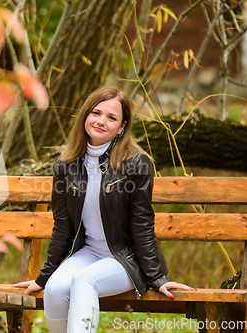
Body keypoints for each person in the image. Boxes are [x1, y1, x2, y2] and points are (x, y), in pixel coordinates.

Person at [13, 86, 194, 333]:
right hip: (88, 253)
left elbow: (142, 223)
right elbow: (63, 226)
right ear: (85, 116)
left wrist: (156, 277)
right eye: (96, 113)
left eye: (111, 118)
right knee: (54, 289)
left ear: (122, 127)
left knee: (84, 281)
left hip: (125, 258)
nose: (101, 121)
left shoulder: (136, 163)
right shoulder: (66, 165)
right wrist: (44, 276)